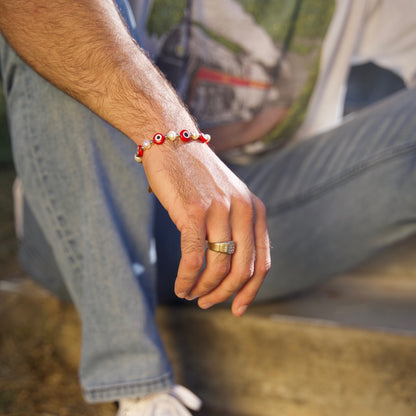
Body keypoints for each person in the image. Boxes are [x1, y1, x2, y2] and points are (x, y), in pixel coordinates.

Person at [0, 0, 415, 415]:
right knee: (70, 23)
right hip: (83, 223)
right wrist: (172, 137)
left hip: (254, 236)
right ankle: (139, 389)